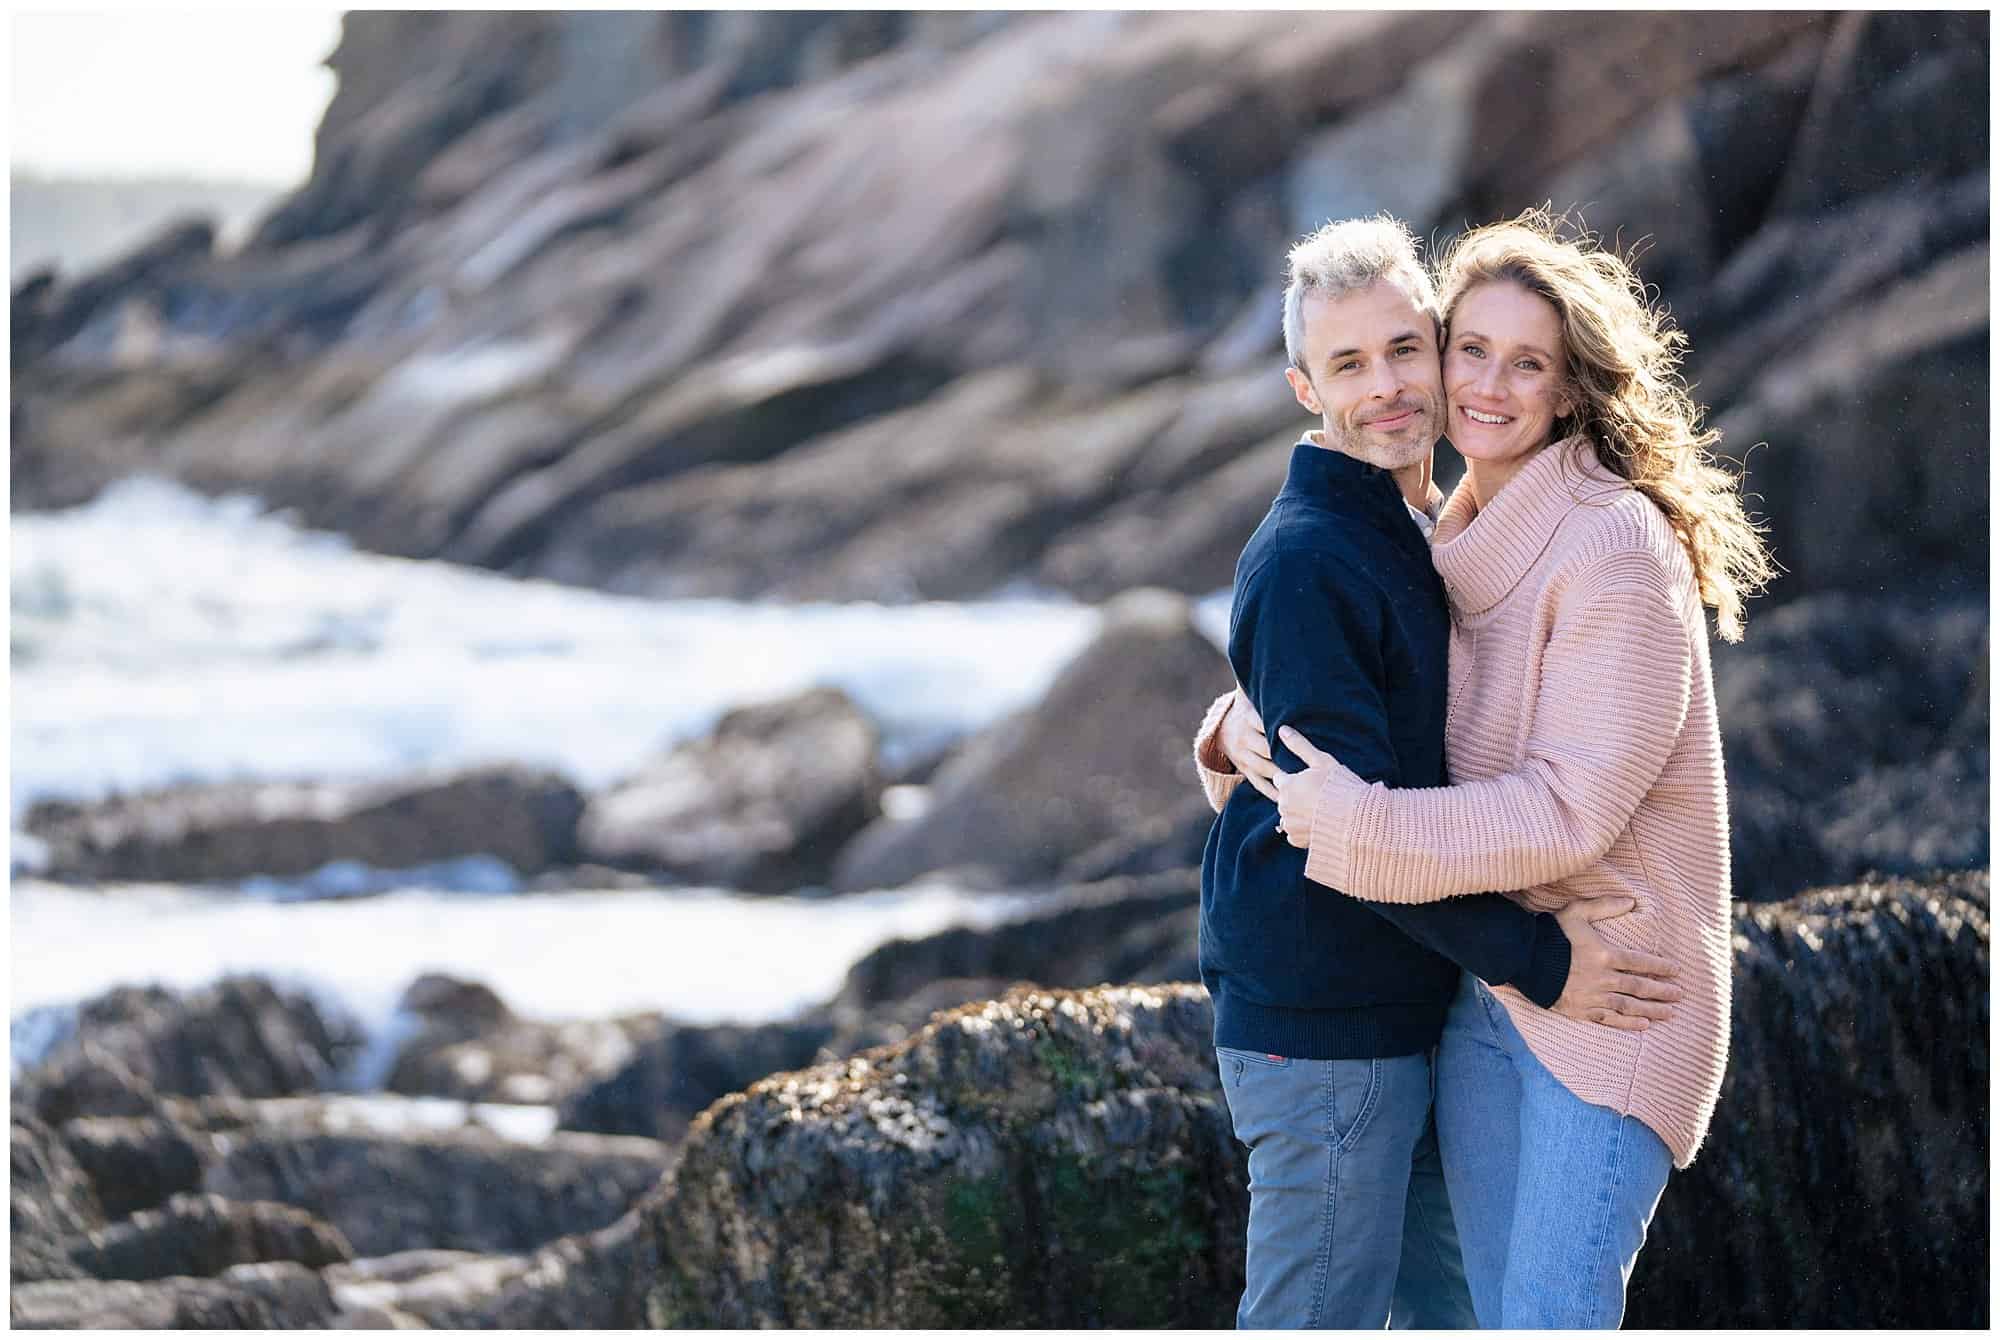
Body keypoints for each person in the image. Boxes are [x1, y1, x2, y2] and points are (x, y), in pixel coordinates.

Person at [1207, 209, 1774, 1327]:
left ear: (1568, 391)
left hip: (1604, 987)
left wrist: (1347, 817)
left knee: (1539, 1316)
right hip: (1449, 995)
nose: (1477, 385)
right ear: (1305, 385)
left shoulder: (1585, 542)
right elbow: (1349, 667)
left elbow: (1557, 803)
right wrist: (1234, 721)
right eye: (1471, 348)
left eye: (1525, 363)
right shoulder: (1426, 532)